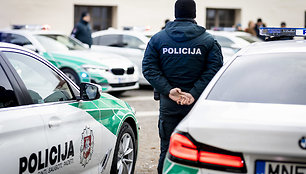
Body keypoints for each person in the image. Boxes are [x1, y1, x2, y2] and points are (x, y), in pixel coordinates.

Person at [142, 0, 223, 173]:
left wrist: (168, 90)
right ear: (194, 14)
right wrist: (193, 93)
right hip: (197, 105)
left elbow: (149, 69)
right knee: (198, 149)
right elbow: (215, 69)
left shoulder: (158, 39)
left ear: (176, 13)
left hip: (169, 103)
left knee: (167, 147)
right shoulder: (208, 40)